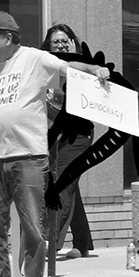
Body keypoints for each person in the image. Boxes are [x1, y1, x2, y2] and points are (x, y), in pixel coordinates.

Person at [0, 11, 109, 277]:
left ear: (8, 36)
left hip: (28, 158)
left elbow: (69, 67)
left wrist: (96, 71)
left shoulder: (34, 59)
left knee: (33, 228)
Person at [42, 23, 98, 260]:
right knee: (68, 185)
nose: (61, 44)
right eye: (56, 41)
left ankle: (50, 243)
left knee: (63, 184)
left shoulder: (79, 66)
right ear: (48, 45)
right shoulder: (43, 66)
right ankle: (83, 242)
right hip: (55, 138)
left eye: (65, 40)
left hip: (78, 136)